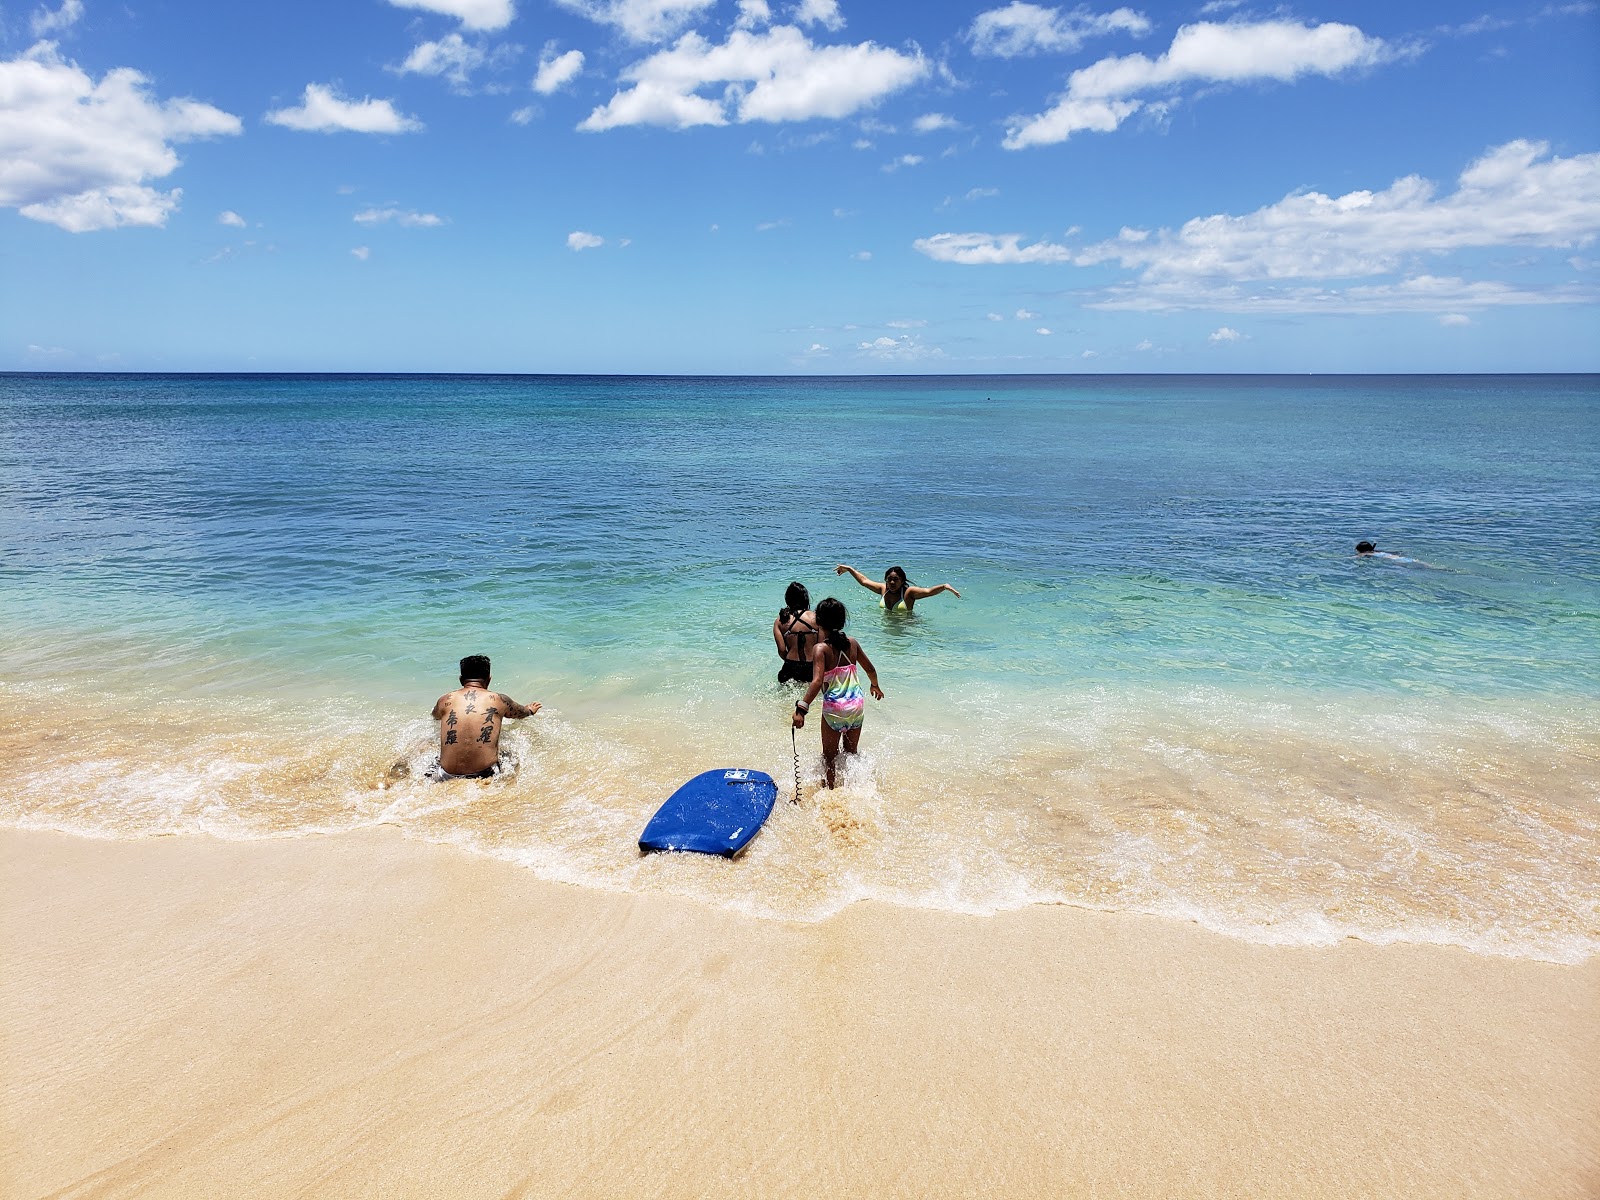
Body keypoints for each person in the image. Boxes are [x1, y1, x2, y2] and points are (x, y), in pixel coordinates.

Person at [791, 598, 883, 789]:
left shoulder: (821, 649)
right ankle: (854, 788)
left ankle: (831, 791)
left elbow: (817, 682)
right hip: (856, 706)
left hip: (835, 709)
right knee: (851, 754)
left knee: (829, 757)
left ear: (818, 622)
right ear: (842, 621)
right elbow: (870, 669)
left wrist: (802, 709)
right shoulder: (853, 643)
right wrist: (874, 686)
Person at [427, 654, 541, 780]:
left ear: (461, 679)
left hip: (446, 774)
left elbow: (435, 716)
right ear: (489, 679)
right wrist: (530, 710)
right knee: (510, 752)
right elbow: (521, 713)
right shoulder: (500, 700)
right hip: (485, 774)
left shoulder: (444, 700)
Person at [835, 563, 961, 612]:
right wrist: (850, 569)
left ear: (902, 581)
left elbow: (928, 591)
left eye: (896, 579)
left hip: (907, 630)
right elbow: (864, 581)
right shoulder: (882, 589)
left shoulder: (908, 593)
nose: (892, 582)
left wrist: (944, 586)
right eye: (889, 579)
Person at [773, 581, 820, 684]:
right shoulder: (816, 618)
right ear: (805, 598)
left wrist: (791, 662)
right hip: (812, 666)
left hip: (790, 667)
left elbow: (781, 650)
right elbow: (823, 645)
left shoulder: (780, 621)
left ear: (788, 599)